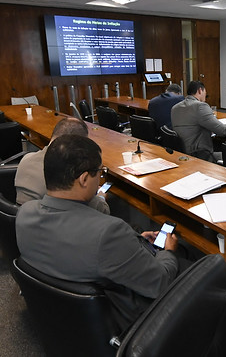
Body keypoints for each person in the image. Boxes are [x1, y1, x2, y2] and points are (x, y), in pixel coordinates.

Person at [16, 135, 179, 329]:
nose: (100, 179)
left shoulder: (24, 213)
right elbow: (160, 282)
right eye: (100, 173)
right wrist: (168, 252)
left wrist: (133, 244)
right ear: (84, 179)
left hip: (60, 318)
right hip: (121, 323)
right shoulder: (108, 233)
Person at [15, 117, 110, 214]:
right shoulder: (67, 174)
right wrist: (101, 197)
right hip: (53, 220)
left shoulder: (26, 158)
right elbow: (101, 210)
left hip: (24, 217)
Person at [171, 81, 226, 162]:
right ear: (200, 90)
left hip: (182, 154)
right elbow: (223, 130)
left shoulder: (175, 108)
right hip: (199, 155)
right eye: (205, 91)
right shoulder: (200, 106)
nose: (205, 95)